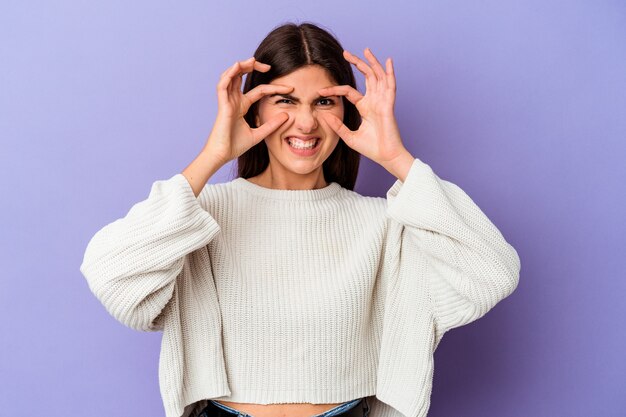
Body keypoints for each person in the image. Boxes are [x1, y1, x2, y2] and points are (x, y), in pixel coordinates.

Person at [79, 22, 521, 417]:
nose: (306, 122)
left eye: (324, 101)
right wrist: (212, 155)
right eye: (284, 100)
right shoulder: (202, 214)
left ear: (347, 111)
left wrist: (397, 159)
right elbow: (113, 279)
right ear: (253, 109)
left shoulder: (385, 222)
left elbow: (491, 273)